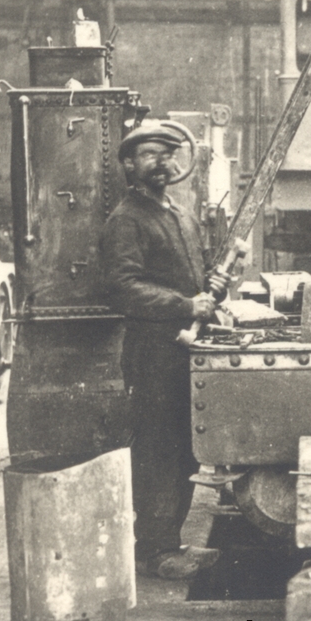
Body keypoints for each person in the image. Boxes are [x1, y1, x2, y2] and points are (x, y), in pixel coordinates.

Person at [100, 121, 223, 581]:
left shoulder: (179, 213)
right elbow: (122, 287)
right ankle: (158, 551)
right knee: (158, 450)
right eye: (150, 154)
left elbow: (195, 277)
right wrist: (186, 305)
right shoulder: (127, 219)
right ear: (129, 164)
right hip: (153, 351)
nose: (162, 163)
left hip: (184, 349)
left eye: (168, 155)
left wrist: (214, 286)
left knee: (185, 450)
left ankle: (167, 541)